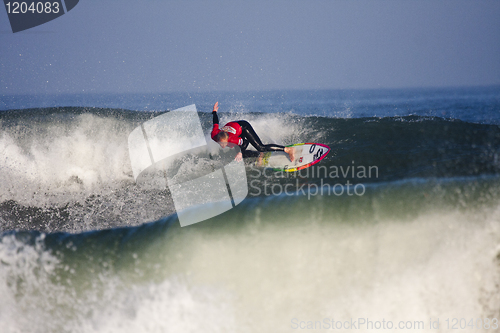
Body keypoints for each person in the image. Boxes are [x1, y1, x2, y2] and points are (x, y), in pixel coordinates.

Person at [211, 101, 295, 162]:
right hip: (235, 129)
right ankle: (259, 155)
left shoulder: (233, 139)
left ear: (228, 139)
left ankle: (287, 149)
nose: (223, 145)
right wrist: (214, 112)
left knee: (260, 147)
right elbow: (215, 123)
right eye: (221, 143)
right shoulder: (214, 134)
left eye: (224, 143)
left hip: (243, 127)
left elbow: (245, 142)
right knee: (240, 155)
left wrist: (240, 152)